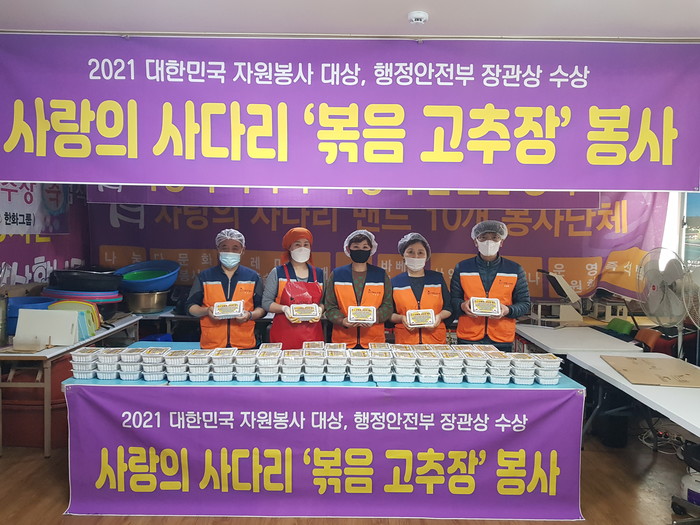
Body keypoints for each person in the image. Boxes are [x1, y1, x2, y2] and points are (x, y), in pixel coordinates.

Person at [450, 220, 530, 352]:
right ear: (476, 241)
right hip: (468, 337)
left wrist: (507, 310)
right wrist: (462, 306)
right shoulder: (462, 267)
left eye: (494, 237)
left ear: (501, 242)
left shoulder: (514, 269)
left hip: (501, 338)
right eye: (483, 237)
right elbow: (453, 300)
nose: (489, 242)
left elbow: (525, 304)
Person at [186, 228, 265, 349]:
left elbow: (262, 308)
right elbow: (190, 307)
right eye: (225, 248)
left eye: (235, 248)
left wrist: (249, 315)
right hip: (212, 344)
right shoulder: (204, 277)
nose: (230, 252)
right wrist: (207, 311)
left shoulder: (253, 277)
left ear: (243, 250)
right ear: (218, 249)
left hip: (244, 344)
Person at [324, 229, 393, 349]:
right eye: (356, 247)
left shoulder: (381, 275)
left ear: (371, 249)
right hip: (343, 341)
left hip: (373, 341)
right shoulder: (337, 274)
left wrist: (374, 318)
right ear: (348, 249)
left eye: (365, 247)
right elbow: (330, 306)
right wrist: (342, 320)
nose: (360, 250)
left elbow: (388, 306)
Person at [262, 227, 324, 349]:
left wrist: (320, 310)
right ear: (289, 247)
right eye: (297, 244)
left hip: (312, 335)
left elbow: (323, 302)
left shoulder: (319, 273)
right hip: (284, 334)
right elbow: (266, 302)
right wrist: (284, 308)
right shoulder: (278, 272)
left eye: (306, 244)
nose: (302, 248)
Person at [390, 233, 453, 345]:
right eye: (410, 252)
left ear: (426, 256)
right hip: (406, 341)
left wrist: (439, 317)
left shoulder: (437, 278)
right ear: (403, 255)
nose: (415, 256)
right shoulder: (395, 282)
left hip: (435, 341)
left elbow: (448, 308)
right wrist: (402, 318)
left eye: (420, 252)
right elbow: (389, 314)